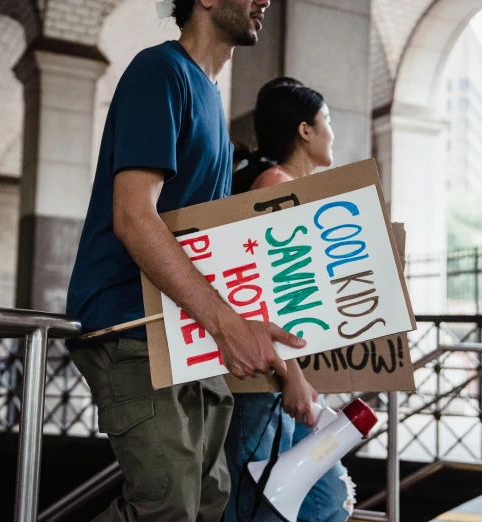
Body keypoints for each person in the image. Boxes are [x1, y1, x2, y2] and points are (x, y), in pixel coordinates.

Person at [65, 2, 307, 521]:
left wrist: (242, 322)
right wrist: (226, 324)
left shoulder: (210, 99)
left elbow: (205, 246)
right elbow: (134, 216)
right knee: (166, 507)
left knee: (209, 503)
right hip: (132, 325)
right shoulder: (160, 72)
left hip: (186, 334)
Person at [224, 79, 355, 522]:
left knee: (325, 500)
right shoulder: (274, 185)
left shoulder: (286, 187)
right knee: (259, 506)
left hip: (281, 381)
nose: (332, 132)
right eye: (328, 122)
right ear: (305, 130)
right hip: (267, 381)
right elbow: (262, 291)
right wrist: (293, 376)